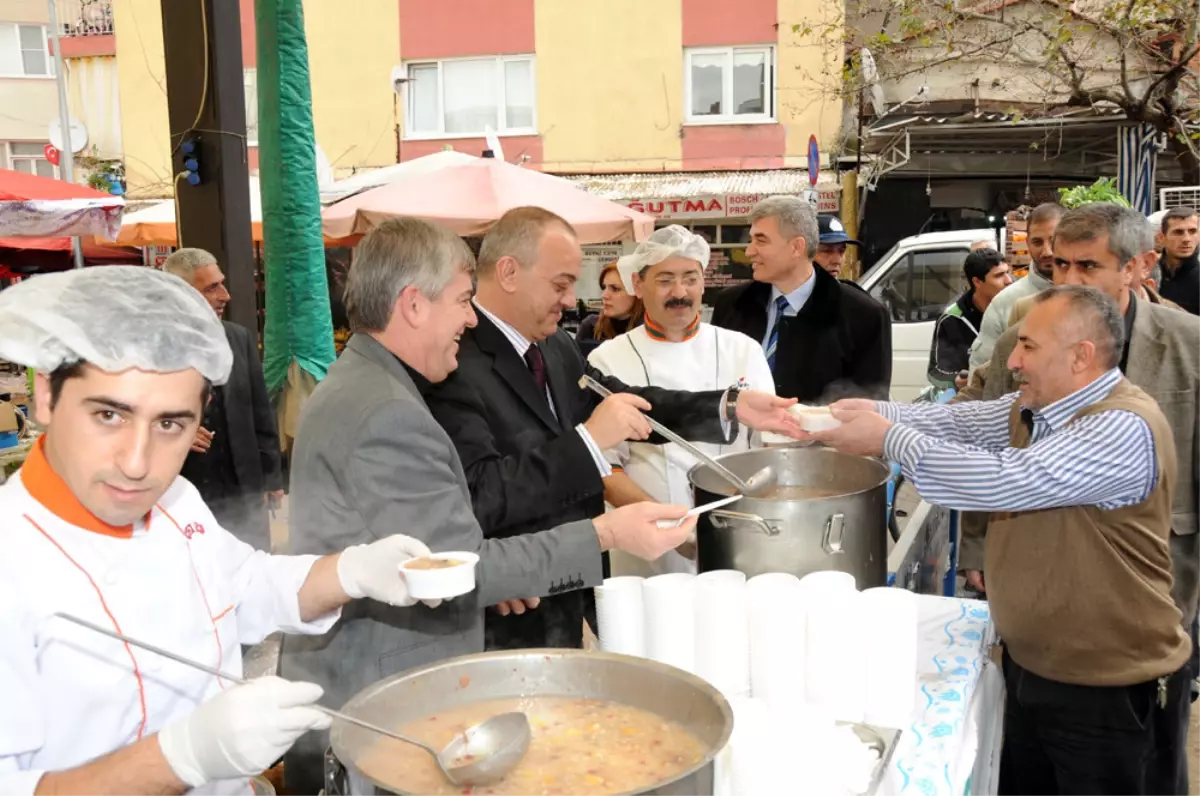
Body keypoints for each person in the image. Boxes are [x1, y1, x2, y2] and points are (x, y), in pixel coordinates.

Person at [280, 217, 802, 791]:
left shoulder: (400, 380)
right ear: (412, 305)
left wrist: (728, 405)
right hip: (380, 699)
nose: (471, 316)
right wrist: (604, 534)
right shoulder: (390, 407)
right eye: (461, 301)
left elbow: (613, 406)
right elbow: (457, 561)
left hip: (459, 650)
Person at [0, 266, 448, 796]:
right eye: (109, 415)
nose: (138, 463)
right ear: (48, 395)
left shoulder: (177, 502)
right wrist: (181, 757)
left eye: (170, 424)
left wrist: (353, 571)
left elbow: (244, 585)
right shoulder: (14, 559)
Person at [812, 284, 1190, 795]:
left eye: (1029, 346)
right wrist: (863, 415)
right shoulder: (1038, 409)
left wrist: (887, 438)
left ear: (1081, 356)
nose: (1013, 359)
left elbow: (1009, 479)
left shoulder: (1121, 424)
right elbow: (957, 422)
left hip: (1108, 691)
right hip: (1038, 671)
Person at [424, 208, 784, 651]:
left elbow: (631, 402)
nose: (572, 299)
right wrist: (591, 439)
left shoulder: (555, 345)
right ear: (509, 272)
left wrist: (731, 405)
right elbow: (477, 494)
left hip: (569, 595)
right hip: (507, 606)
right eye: (560, 284)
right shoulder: (454, 362)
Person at [966, 204, 1200, 634]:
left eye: (1088, 266)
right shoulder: (1015, 344)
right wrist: (977, 546)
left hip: (1154, 575)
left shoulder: (1190, 344)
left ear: (1138, 266)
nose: (1069, 282)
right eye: (1060, 265)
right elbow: (992, 444)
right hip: (1041, 567)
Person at [589, 225, 775, 577]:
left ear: (703, 282)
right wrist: (673, 526)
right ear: (638, 286)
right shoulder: (608, 360)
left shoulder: (742, 350)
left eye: (690, 278)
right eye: (665, 280)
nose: (680, 292)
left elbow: (767, 448)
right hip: (647, 547)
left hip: (736, 533)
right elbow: (603, 467)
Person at [712, 196, 892, 403]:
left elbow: (869, 409)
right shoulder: (731, 304)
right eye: (751, 240)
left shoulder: (864, 316)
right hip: (739, 434)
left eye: (761, 240)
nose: (749, 251)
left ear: (796, 247)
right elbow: (712, 387)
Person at [162, 248, 284, 550]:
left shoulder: (238, 338)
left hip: (244, 489)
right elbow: (131, 413)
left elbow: (260, 412)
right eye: (212, 288)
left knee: (252, 569)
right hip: (185, 488)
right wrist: (170, 430)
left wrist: (272, 478)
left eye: (222, 283)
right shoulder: (153, 346)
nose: (225, 295)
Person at [969, 202, 1064, 370]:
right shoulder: (1005, 303)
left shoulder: (1091, 296)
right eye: (1037, 242)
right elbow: (980, 375)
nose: (1047, 251)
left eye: (1054, 240)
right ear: (1027, 243)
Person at [927, 248, 1012, 390]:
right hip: (973, 400)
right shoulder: (952, 319)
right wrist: (954, 381)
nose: (1009, 281)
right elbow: (934, 373)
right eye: (999, 275)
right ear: (977, 282)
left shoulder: (1016, 306)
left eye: (1008, 273)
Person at [575, 261, 643, 351]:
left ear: (636, 293)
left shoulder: (652, 332)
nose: (604, 295)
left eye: (615, 289)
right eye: (604, 287)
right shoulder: (591, 327)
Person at [1159, 206, 1200, 315]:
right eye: (1178, 232)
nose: (1186, 239)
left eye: (1192, 231)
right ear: (1162, 237)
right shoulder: (1147, 273)